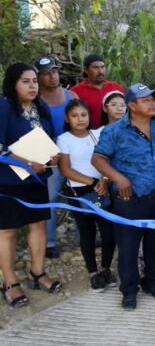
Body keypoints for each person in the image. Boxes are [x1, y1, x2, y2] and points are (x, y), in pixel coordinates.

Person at [92, 83, 155, 310]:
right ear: (131, 105)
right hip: (130, 199)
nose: (152, 103)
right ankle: (129, 291)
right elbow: (98, 159)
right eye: (145, 100)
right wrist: (118, 178)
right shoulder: (114, 131)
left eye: (153, 99)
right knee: (129, 247)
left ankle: (151, 282)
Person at [0, 63, 62, 308]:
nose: (32, 86)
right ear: (13, 83)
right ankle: (10, 282)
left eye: (34, 81)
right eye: (25, 81)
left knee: (38, 224)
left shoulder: (40, 107)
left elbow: (51, 137)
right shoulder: (4, 106)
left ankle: (37, 273)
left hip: (37, 179)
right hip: (8, 180)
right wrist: (27, 163)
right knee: (8, 231)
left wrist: (52, 157)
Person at [57, 99, 117, 291]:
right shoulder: (64, 139)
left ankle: (106, 267)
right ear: (67, 119)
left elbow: (108, 160)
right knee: (87, 232)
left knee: (109, 231)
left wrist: (105, 180)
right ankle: (93, 273)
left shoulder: (97, 134)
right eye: (74, 116)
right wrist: (92, 182)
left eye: (83, 115)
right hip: (79, 191)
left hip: (103, 188)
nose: (80, 119)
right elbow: (65, 169)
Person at [35, 56, 79, 259]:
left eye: (54, 71)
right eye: (46, 73)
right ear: (38, 77)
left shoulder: (71, 95)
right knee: (50, 198)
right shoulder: (35, 101)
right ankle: (50, 242)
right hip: (49, 157)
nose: (52, 76)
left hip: (74, 154)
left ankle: (84, 236)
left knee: (81, 194)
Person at [70, 54, 124, 129]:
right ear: (86, 70)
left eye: (102, 67)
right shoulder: (75, 92)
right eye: (95, 67)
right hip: (90, 134)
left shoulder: (116, 88)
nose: (100, 71)